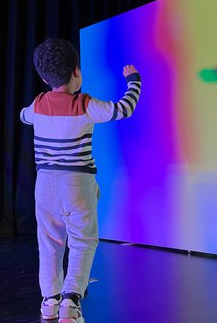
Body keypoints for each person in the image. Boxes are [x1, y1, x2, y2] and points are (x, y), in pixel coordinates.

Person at [20, 38, 141, 322]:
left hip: (45, 184)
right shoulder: (85, 104)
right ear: (77, 71)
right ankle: (71, 302)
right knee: (82, 241)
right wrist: (133, 80)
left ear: (43, 76)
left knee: (49, 244)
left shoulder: (37, 104)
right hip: (77, 184)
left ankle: (50, 301)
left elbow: (24, 117)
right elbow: (124, 108)